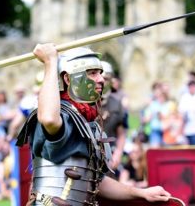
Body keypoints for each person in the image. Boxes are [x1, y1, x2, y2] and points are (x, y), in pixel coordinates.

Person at [16, 44, 171, 206]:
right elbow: (48, 119)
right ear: (68, 79)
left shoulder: (88, 122)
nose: (101, 79)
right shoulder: (62, 114)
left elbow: (96, 182)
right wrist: (50, 62)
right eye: (92, 73)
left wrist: (141, 192)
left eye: (100, 73)